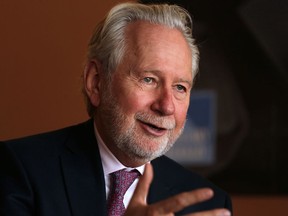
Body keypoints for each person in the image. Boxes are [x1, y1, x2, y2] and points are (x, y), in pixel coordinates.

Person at [0, 2, 232, 216]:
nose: (166, 106)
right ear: (96, 82)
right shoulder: (18, 170)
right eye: (149, 79)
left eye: (180, 87)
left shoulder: (209, 205)